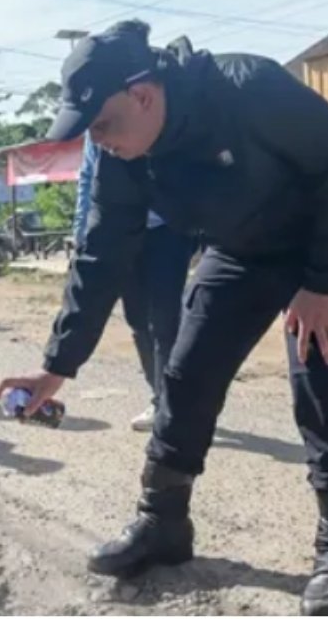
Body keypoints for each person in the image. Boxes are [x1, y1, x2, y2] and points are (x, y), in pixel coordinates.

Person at [0, 21, 328, 615]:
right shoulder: (123, 156)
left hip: (322, 250)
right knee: (186, 373)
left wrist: (324, 282)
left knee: (325, 386)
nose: (98, 142)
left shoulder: (246, 88)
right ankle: (163, 523)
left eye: (102, 124)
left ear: (143, 95)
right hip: (239, 252)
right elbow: (100, 258)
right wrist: (56, 368)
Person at [73, 131, 196, 431]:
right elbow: (88, 177)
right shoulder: (97, 130)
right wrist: (81, 232)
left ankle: (172, 406)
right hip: (122, 233)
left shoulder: (155, 114)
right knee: (137, 319)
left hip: (166, 232)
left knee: (165, 320)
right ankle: (160, 395)